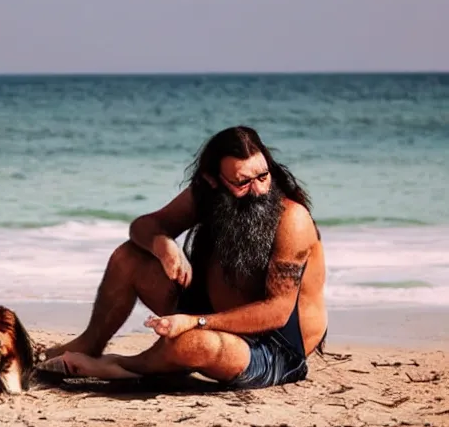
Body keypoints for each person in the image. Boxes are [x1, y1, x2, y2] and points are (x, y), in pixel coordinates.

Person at [40, 126, 328, 389]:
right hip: (207, 310)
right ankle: (90, 344)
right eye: (242, 182)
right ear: (213, 180)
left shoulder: (292, 220)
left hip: (274, 345)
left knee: (192, 344)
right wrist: (163, 244)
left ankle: (124, 365)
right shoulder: (207, 196)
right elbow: (145, 225)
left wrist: (195, 322)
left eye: (263, 177)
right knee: (127, 257)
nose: (257, 191)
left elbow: (277, 311)